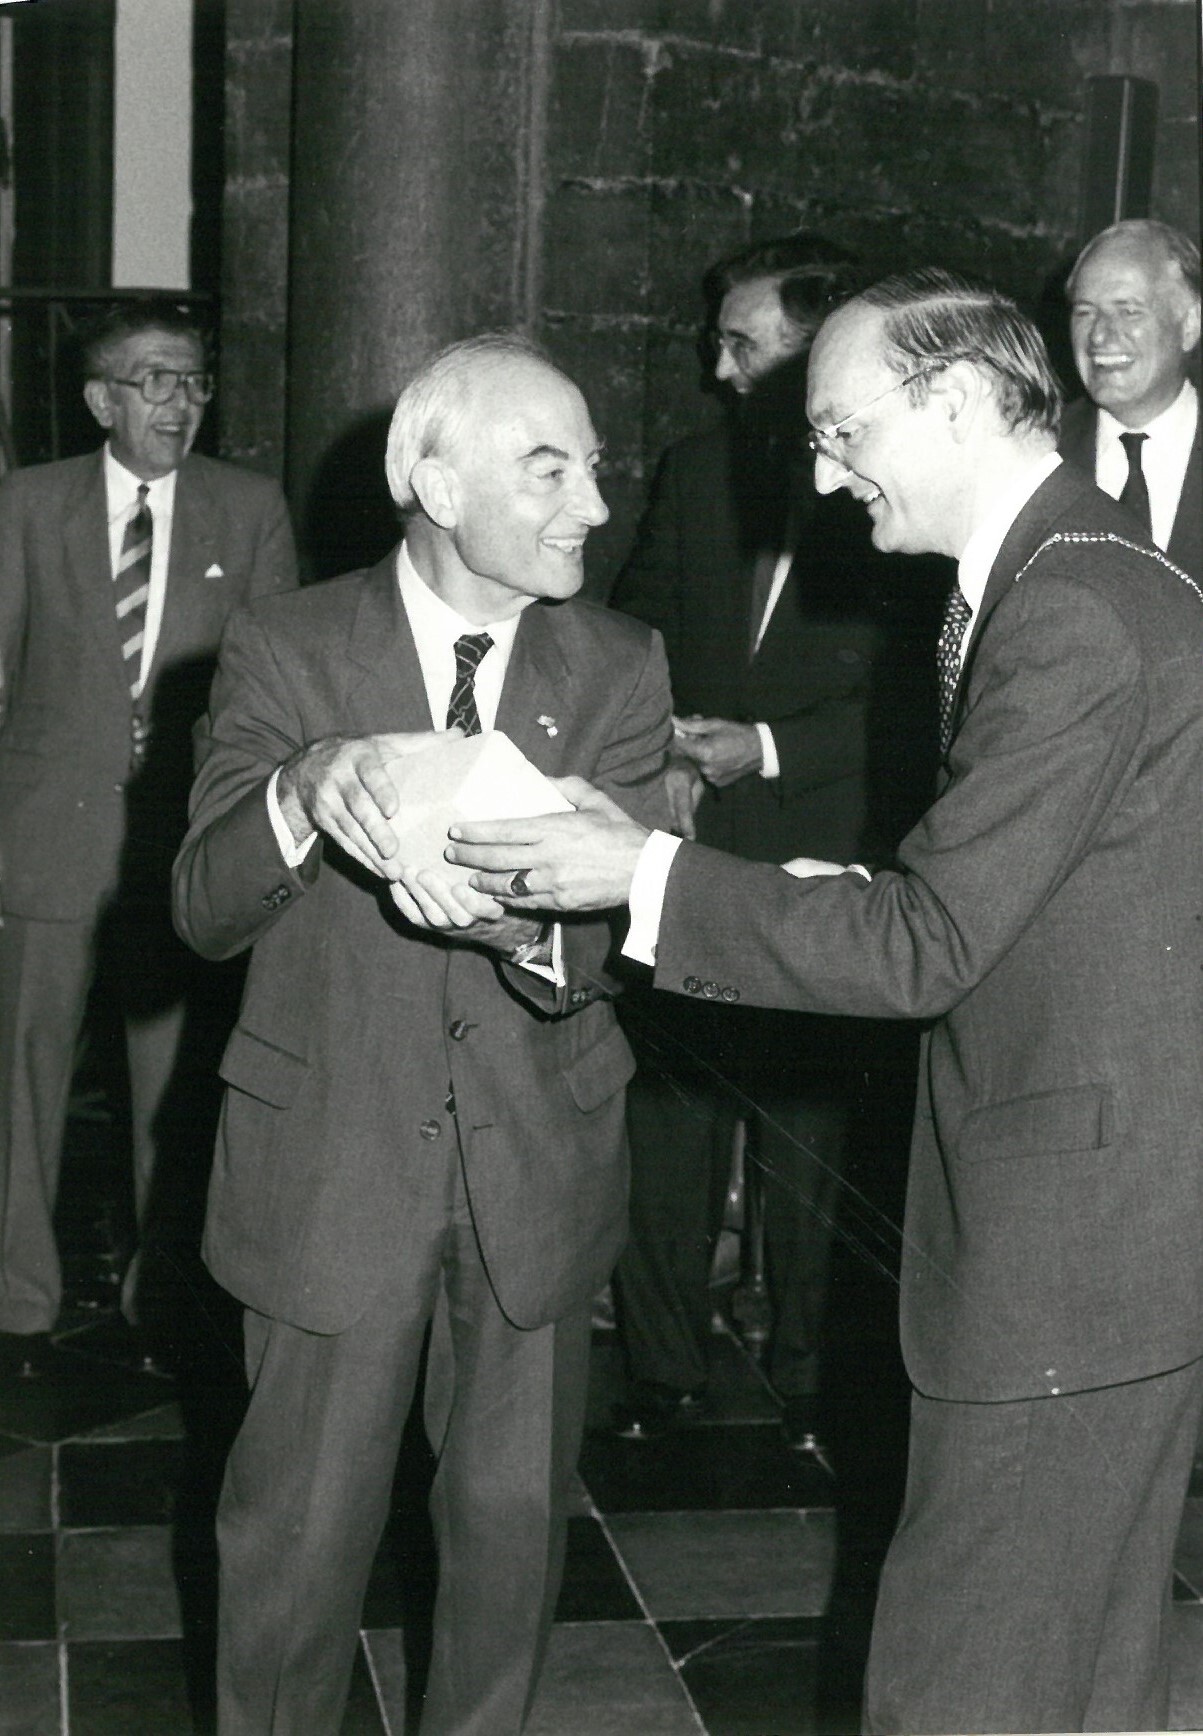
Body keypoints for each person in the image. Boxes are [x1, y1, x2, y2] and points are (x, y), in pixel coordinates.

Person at [441, 271, 1203, 1734]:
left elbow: (925, 943)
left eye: (842, 429)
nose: (821, 470)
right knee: (1075, 1665)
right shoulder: (1082, 570)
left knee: (959, 1677)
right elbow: (1028, 884)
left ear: (964, 401)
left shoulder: (1067, 611)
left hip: (1072, 1236)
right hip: (1114, 1216)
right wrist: (810, 879)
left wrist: (641, 872)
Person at [171, 332, 672, 1735]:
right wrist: (302, 785)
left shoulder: (621, 665)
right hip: (327, 1173)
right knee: (290, 1560)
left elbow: (639, 929)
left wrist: (521, 926)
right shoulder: (285, 645)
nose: (591, 503)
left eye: (593, 467)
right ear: (437, 485)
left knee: (508, 1558)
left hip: (535, 1177)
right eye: (550, 467)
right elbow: (201, 912)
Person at [608, 233, 931, 1450]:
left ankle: (808, 1376)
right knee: (670, 1112)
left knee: (809, 1131)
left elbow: (911, 696)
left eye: (743, 344)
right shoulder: (698, 470)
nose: (718, 365)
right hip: (685, 838)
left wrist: (771, 747)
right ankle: (662, 1371)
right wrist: (663, 755)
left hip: (822, 840)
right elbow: (630, 628)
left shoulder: (893, 494)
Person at [0, 300, 297, 1374]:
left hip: (182, 845)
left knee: (174, 1090)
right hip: (44, 835)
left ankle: (160, 1301)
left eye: (194, 383)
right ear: (101, 399)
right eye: (158, 381)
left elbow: (276, 683)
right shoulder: (26, 505)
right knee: (20, 1077)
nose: (182, 402)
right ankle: (17, 1302)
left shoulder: (250, 507)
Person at [1060, 217, 1200, 579]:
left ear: (1190, 325)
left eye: (1129, 311)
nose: (1100, 337)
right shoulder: (1036, 452)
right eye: (1085, 312)